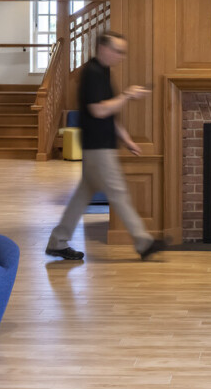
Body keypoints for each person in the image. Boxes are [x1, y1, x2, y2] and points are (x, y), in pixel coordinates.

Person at [45, 31, 165, 262]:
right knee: (118, 192)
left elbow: (110, 112)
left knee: (83, 195)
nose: (122, 56)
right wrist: (128, 95)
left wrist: (127, 139)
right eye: (118, 51)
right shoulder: (91, 73)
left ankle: (57, 242)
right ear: (103, 49)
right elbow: (98, 110)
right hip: (97, 146)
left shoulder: (103, 72)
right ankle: (144, 242)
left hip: (100, 144)